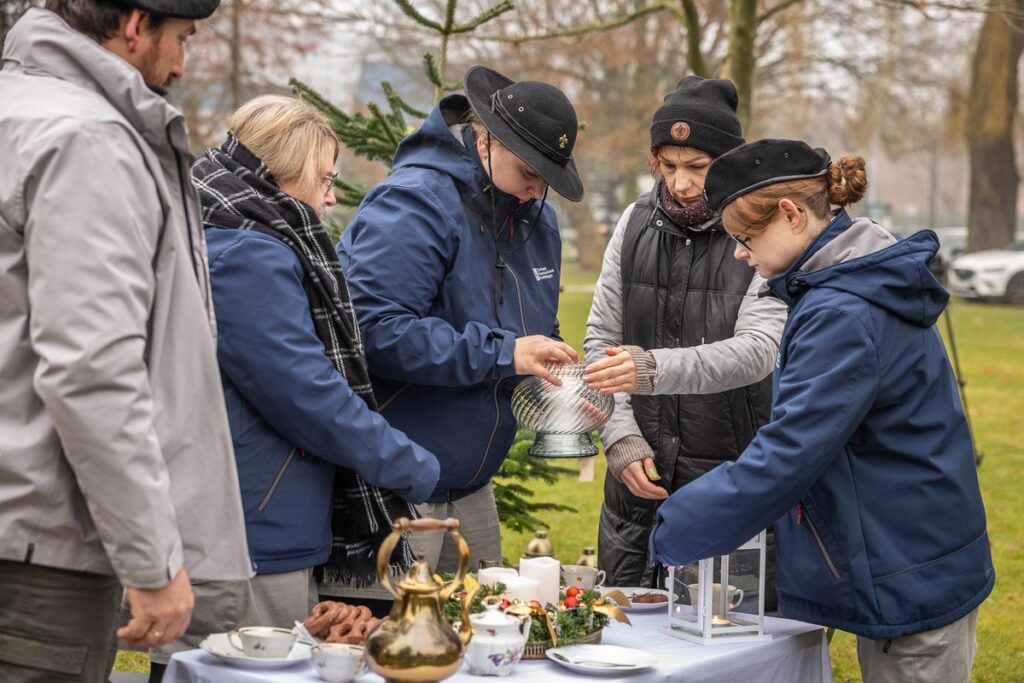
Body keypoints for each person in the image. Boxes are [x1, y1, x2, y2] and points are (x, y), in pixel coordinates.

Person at [652, 138, 994, 682]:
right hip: (902, 552)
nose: (740, 253)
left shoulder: (844, 311)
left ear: (790, 214)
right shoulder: (842, 286)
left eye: (744, 236)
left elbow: (789, 454)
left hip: (912, 567)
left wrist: (676, 527)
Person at [0, 1, 252, 681]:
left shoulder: (17, 112)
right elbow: (90, 368)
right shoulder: (86, 140)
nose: (180, 64)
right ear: (135, 27)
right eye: (182, 40)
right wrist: (150, 559)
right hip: (43, 560)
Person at [191, 95, 440, 626]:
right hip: (252, 527)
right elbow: (304, 392)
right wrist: (411, 465)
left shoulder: (229, 225)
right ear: (283, 174)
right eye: (324, 180)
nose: (330, 198)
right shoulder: (246, 252)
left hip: (251, 513)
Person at [338, 65, 581, 574]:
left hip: (473, 485)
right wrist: (504, 352)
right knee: (396, 641)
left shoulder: (540, 221)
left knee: (483, 634)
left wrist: (563, 386)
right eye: (530, 173)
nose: (538, 191)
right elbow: (372, 330)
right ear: (486, 141)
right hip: (397, 482)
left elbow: (536, 331)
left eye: (549, 179)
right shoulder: (416, 203)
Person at [581, 76, 787, 594]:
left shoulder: (761, 233)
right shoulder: (632, 223)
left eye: (697, 168)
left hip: (728, 477)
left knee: (729, 648)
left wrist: (651, 367)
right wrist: (620, 438)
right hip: (636, 488)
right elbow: (599, 343)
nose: (680, 183)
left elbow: (758, 351)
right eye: (667, 166)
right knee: (627, 640)